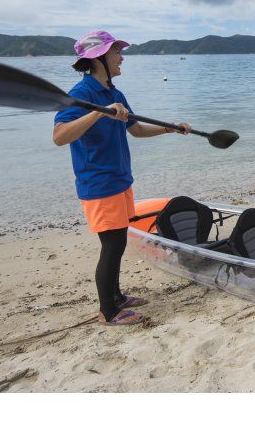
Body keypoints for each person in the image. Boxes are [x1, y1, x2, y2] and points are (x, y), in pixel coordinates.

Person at [53, 31, 191, 326]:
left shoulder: (115, 95)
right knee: (112, 245)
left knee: (118, 241)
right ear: (98, 57)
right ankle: (108, 311)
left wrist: (170, 129)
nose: (121, 57)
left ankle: (117, 297)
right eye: (116, 51)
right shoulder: (81, 94)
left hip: (119, 179)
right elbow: (60, 136)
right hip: (98, 183)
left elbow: (137, 130)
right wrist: (98, 115)